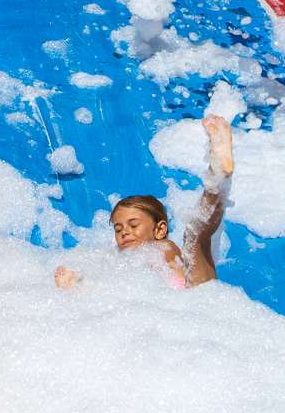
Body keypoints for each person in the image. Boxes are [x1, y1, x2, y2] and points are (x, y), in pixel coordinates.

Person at [55, 114, 235, 289]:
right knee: (194, 237)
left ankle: (219, 173)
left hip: (190, 290)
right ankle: (219, 174)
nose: (125, 232)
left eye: (133, 225)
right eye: (118, 229)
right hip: (171, 304)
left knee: (194, 236)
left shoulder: (161, 246)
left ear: (160, 229)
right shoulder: (122, 258)